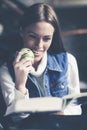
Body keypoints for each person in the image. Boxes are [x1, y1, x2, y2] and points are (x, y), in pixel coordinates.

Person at [0, 2, 81, 124]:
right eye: (33, 36)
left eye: (46, 38)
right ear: (22, 32)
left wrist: (64, 113)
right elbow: (19, 118)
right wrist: (20, 84)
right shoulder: (7, 70)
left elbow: (76, 107)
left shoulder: (68, 61)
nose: (39, 45)